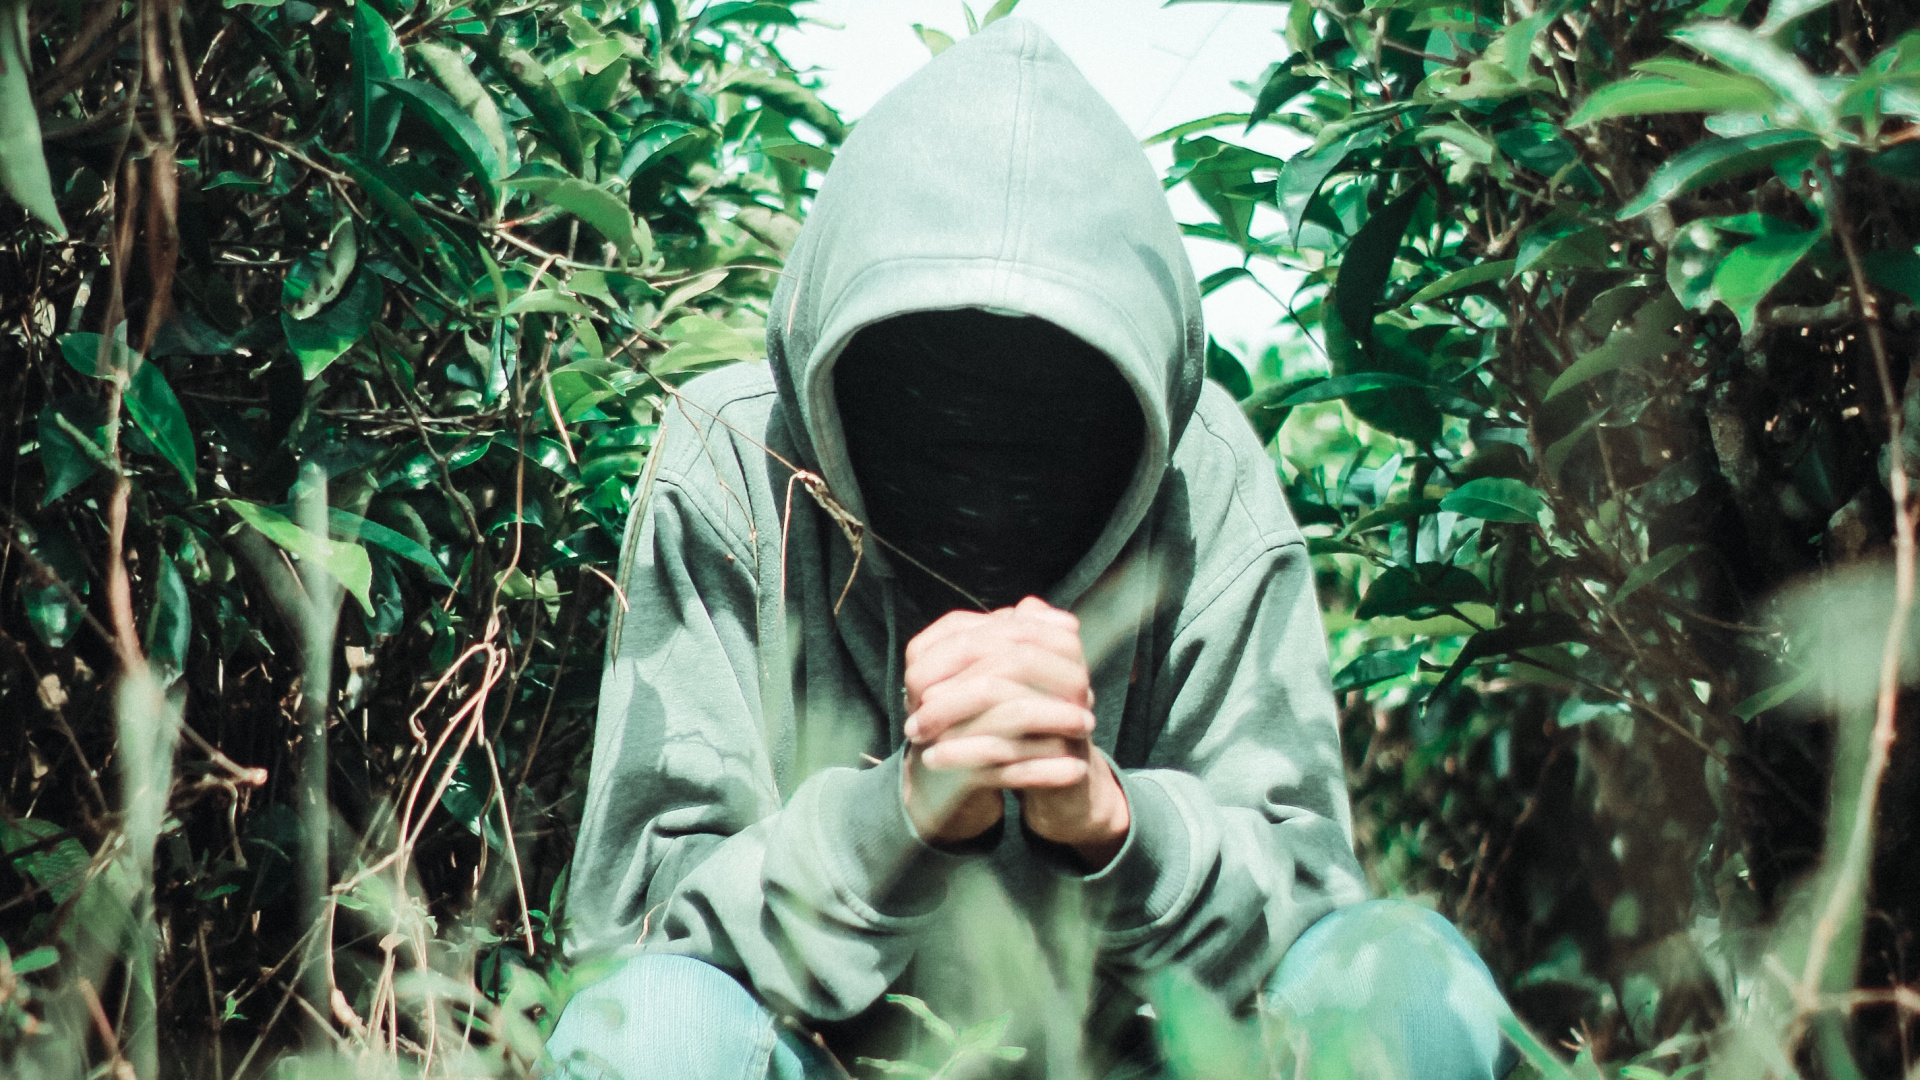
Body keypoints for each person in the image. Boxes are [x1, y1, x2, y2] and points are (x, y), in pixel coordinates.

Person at [547, 18, 1517, 1080]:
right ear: (830, 386)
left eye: (1048, 433)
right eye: (926, 416)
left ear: (1143, 420)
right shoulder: (729, 459)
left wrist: (1114, 822)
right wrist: (901, 815)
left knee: (1418, 988)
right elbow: (631, 952)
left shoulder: (1209, 479)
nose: (984, 491)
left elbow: (1315, 921)